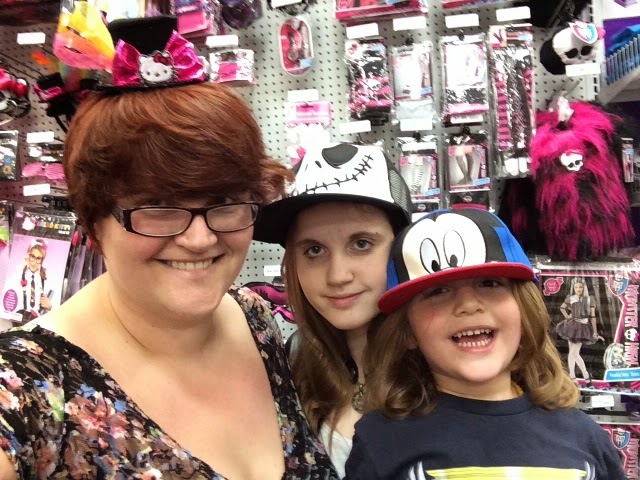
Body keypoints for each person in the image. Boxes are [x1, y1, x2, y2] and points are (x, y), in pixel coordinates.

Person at [0, 18, 339, 480]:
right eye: (157, 207)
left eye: (224, 201)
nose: (199, 239)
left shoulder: (253, 318)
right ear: (94, 223)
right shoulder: (30, 385)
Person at [345, 207, 626, 479]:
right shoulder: (381, 440)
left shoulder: (584, 437)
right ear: (407, 331)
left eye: (489, 283)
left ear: (525, 311)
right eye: (438, 291)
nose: (468, 304)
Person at [253, 142, 412, 478]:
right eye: (314, 250)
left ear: (401, 247)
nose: (338, 276)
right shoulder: (292, 367)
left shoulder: (447, 363)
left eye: (361, 244)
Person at [556, 277, 603, 382]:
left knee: (574, 352)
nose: (578, 289)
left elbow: (593, 316)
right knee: (571, 352)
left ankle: (585, 375)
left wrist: (595, 332)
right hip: (571, 325)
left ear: (584, 288)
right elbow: (562, 307)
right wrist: (567, 316)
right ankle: (572, 376)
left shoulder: (589, 299)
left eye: (580, 287)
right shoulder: (571, 298)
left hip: (582, 327)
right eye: (576, 287)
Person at [14, 238, 52, 322]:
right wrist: (22, 267)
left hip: (37, 321)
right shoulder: (18, 274)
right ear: (28, 255)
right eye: (32, 256)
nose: (34, 262)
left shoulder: (47, 279)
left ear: (42, 260)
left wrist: (49, 306)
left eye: (38, 258)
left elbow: (53, 310)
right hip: (18, 319)